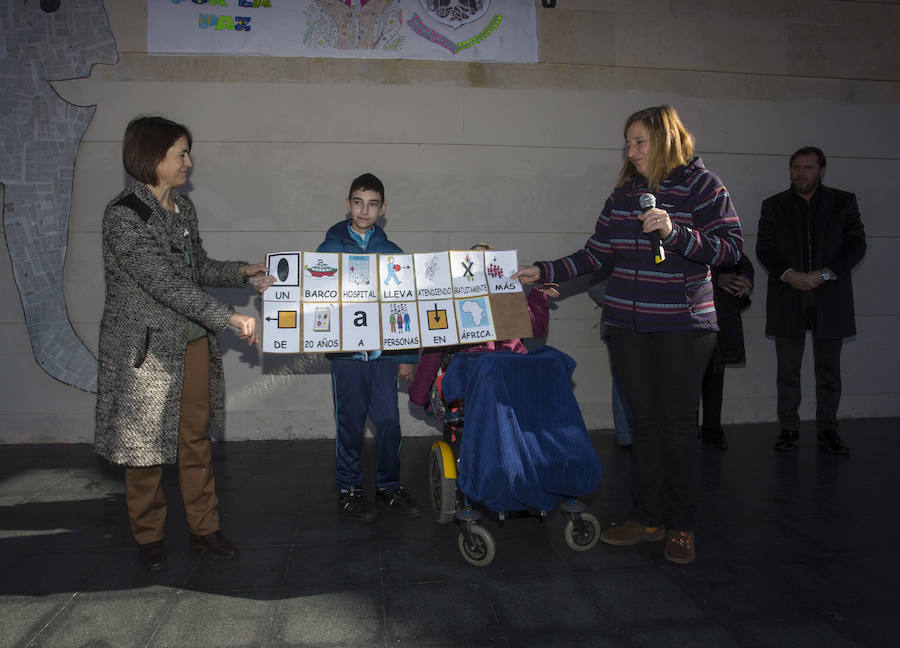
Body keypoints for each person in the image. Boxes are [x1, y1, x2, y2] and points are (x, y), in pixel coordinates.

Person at [512, 105, 743, 564]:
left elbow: (731, 250)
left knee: (677, 427)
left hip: (683, 326)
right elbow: (596, 253)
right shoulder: (623, 194)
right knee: (643, 425)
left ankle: (680, 524)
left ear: (666, 139)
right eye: (628, 143)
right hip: (627, 326)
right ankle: (646, 516)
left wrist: (677, 233)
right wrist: (542, 271)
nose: (632, 151)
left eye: (640, 142)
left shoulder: (704, 186)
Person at [94, 116, 267, 572]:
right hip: (146, 352)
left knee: (195, 439)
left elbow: (197, 269)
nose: (189, 161)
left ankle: (204, 526)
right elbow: (165, 284)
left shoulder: (181, 209)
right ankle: (148, 534)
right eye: (181, 153)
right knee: (145, 447)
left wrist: (242, 272)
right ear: (152, 158)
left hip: (191, 345)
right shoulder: (123, 216)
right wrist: (228, 318)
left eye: (187, 152)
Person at [308, 173, 421, 522]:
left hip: (384, 356)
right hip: (347, 358)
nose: (364, 210)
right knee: (350, 423)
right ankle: (349, 487)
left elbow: (404, 307)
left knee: (389, 422)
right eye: (358, 202)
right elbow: (312, 300)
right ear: (347, 204)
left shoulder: (393, 254)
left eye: (372, 204)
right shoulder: (328, 250)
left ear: (382, 209)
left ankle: (388, 486)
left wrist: (405, 357)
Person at [756, 146, 866, 454]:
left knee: (829, 370)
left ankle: (828, 430)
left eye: (808, 167)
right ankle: (789, 429)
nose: (801, 173)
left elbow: (856, 245)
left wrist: (827, 274)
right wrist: (789, 274)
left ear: (822, 170)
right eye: (796, 167)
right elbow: (765, 248)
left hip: (830, 297)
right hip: (787, 296)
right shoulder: (773, 206)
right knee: (787, 371)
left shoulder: (843, 202)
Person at [408, 243, 557, 415]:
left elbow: (536, 329)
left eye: (488, 261)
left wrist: (538, 295)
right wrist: (420, 392)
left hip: (513, 373)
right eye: (477, 261)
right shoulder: (454, 303)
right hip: (474, 377)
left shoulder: (510, 299)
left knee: (553, 360)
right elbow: (435, 348)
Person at [698, 254, 754, 450]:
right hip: (690, 320)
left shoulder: (721, 233)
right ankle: (687, 432)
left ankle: (712, 430)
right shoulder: (678, 231)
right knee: (687, 380)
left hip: (719, 318)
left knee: (715, 375)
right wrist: (714, 278)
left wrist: (744, 280)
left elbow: (744, 264)